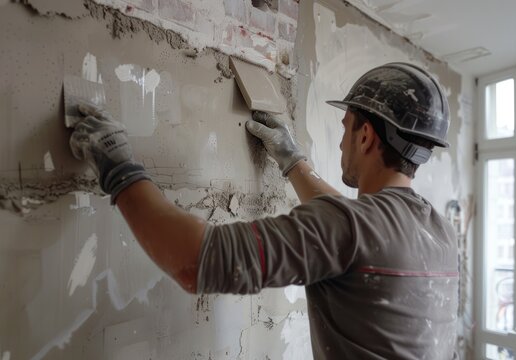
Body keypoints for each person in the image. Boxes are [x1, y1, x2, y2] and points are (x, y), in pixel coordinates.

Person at [69, 62, 458, 359]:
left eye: (345, 127)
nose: (341, 144)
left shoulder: (351, 227)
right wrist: (292, 161)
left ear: (366, 135)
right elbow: (352, 229)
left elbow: (193, 262)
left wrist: (118, 168)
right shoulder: (438, 233)